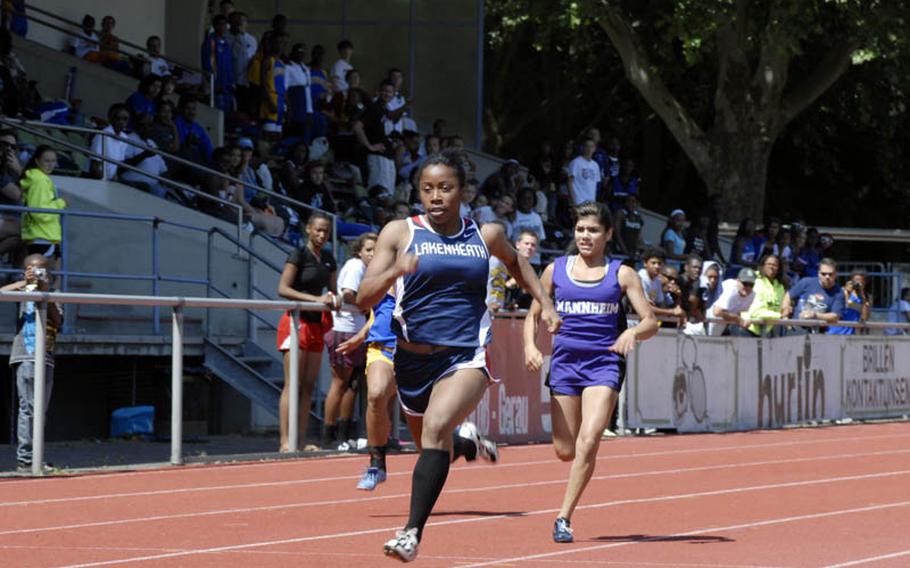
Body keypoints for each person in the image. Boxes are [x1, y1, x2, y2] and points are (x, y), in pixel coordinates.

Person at [357, 149, 560, 562]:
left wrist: (545, 303)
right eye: (427, 189)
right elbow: (363, 295)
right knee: (432, 445)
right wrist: (395, 271)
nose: (436, 196)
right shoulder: (399, 232)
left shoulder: (484, 234)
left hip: (465, 356)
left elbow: (517, 264)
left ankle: (410, 533)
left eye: (445, 188)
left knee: (433, 429)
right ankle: (467, 445)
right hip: (411, 358)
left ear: (462, 192)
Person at [524, 201, 657, 543]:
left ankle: (563, 517)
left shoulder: (621, 273)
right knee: (565, 450)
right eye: (581, 229)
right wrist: (530, 346)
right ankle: (567, 498)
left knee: (590, 438)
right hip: (565, 364)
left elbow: (650, 321)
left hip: (604, 363)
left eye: (593, 230)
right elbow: (533, 314)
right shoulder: (556, 270)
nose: (585, 235)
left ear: (608, 234)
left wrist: (632, 332)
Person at [275, 212, 338, 452]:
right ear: (309, 230)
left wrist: (335, 297)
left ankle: (299, 441)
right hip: (295, 322)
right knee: (293, 384)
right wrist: (315, 299)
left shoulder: (329, 258)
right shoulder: (298, 254)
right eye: (319, 230)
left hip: (316, 326)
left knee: (308, 386)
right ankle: (285, 441)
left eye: (326, 231)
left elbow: (332, 290)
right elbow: (283, 288)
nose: (322, 235)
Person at [2, 254, 62, 472]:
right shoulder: (22, 292)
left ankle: (35, 457)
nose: (37, 274)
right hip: (26, 356)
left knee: (40, 411)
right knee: (28, 409)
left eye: (41, 270)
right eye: (32, 270)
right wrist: (24, 283)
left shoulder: (53, 295)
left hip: (46, 357)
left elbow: (58, 320)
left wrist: (44, 292)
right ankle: (26, 459)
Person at [321, 232, 376, 448]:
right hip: (344, 330)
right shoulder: (355, 266)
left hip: (356, 330)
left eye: (376, 250)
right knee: (340, 383)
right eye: (368, 250)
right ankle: (329, 434)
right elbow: (349, 294)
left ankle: (344, 434)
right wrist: (368, 305)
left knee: (353, 384)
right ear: (359, 251)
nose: (372, 254)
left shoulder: (367, 269)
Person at [20, 146, 65, 258]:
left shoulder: (39, 179)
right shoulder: (40, 181)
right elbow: (40, 212)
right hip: (42, 236)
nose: (51, 165)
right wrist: (61, 203)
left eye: (53, 161)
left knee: (38, 274)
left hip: (41, 236)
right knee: (38, 275)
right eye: (47, 161)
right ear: (37, 161)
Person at [781, 257, 843, 333]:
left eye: (830, 274)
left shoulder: (839, 292)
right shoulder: (806, 282)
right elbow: (788, 295)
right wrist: (785, 314)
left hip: (818, 333)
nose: (827, 277)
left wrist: (814, 315)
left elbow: (835, 316)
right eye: (823, 274)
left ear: (835, 274)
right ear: (818, 273)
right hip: (795, 329)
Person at [745, 254, 786, 337]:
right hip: (747, 328)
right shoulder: (755, 281)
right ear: (762, 266)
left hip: (766, 330)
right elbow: (755, 312)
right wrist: (779, 316)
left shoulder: (780, 287)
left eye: (774, 265)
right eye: (768, 264)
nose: (771, 267)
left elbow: (779, 308)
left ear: (778, 269)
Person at [201, 14, 234, 113]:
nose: (222, 27)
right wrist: (214, 83)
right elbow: (209, 64)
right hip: (217, 86)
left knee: (227, 115)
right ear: (214, 25)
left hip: (227, 86)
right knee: (218, 114)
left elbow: (229, 65)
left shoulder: (225, 42)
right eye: (219, 24)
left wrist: (231, 81)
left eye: (224, 24)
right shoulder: (211, 41)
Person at [710, 267, 757, 336]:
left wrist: (742, 320)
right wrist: (737, 319)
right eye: (745, 283)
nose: (748, 287)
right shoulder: (730, 288)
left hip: (721, 327)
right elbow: (717, 311)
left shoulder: (752, 294)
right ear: (737, 281)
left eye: (751, 285)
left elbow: (738, 312)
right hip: (704, 326)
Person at [0, 129, 24, 258]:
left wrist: (19, 170)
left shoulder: (15, 167)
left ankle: (15, 274)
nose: (8, 149)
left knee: (27, 237)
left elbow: (39, 188)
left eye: (12, 147)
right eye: (4, 144)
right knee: (29, 231)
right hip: (4, 218)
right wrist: (20, 171)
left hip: (11, 218)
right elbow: (16, 195)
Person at [828, 270, 871, 335]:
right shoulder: (842, 291)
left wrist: (862, 295)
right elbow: (844, 305)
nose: (857, 284)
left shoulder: (866, 297)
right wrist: (847, 293)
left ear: (865, 283)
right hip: (835, 330)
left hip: (850, 332)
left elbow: (865, 317)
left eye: (861, 281)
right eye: (855, 281)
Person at [567, 138, 601, 206]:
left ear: (595, 149)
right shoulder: (575, 162)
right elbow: (569, 183)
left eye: (591, 147)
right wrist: (573, 201)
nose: (589, 149)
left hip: (591, 203)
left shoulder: (595, 165)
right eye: (587, 146)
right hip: (578, 202)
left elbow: (595, 185)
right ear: (582, 148)